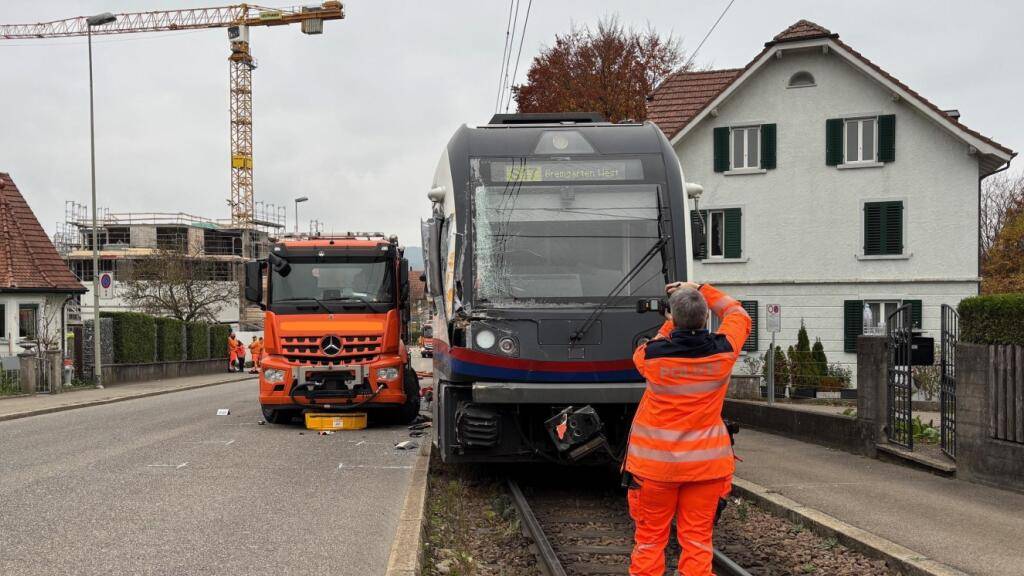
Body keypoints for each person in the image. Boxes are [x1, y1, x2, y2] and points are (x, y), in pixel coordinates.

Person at [625, 281, 751, 576]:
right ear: (706, 317)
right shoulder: (725, 351)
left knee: (649, 541)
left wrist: (669, 323)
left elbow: (652, 344)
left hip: (656, 469)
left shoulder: (651, 357)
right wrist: (701, 289)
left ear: (671, 317)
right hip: (706, 469)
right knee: (697, 541)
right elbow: (738, 314)